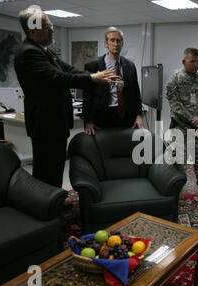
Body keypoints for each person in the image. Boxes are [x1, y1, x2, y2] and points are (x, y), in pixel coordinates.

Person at [14, 6, 114, 188]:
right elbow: (58, 78)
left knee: (56, 166)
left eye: (50, 24)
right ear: (32, 30)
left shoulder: (44, 50)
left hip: (55, 122)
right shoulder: (28, 52)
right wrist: (91, 78)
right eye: (47, 26)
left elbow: (67, 69)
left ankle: (56, 201)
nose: (52, 29)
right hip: (45, 123)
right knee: (46, 170)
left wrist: (94, 75)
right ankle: (45, 209)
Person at [166, 48, 198, 202]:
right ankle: (179, 189)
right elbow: (175, 105)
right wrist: (193, 119)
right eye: (192, 61)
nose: (196, 65)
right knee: (179, 161)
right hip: (180, 127)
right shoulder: (175, 80)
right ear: (184, 61)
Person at [82, 27, 143, 135]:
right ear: (106, 43)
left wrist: (138, 115)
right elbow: (87, 96)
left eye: (118, 41)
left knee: (124, 149)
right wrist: (88, 120)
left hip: (126, 117)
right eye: (112, 40)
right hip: (102, 118)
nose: (116, 44)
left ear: (122, 43)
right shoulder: (93, 65)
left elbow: (136, 94)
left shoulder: (130, 65)